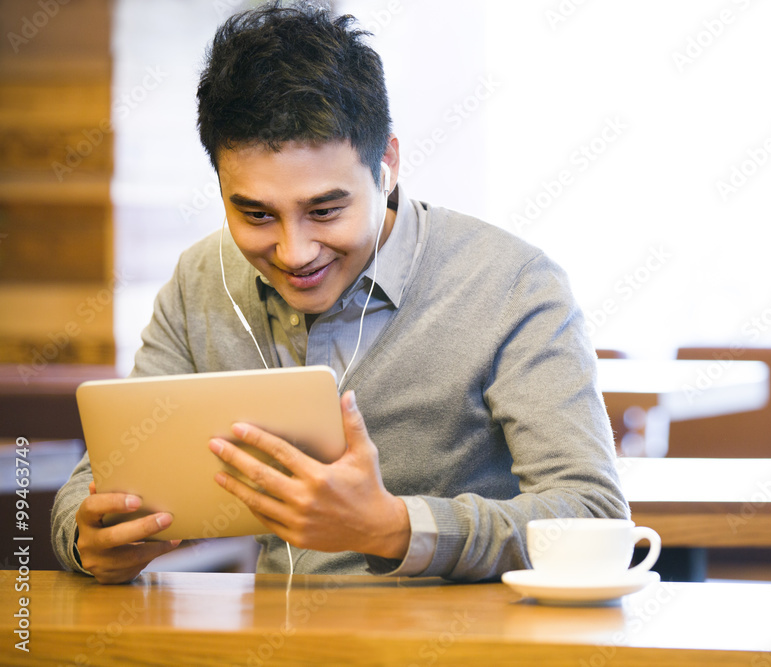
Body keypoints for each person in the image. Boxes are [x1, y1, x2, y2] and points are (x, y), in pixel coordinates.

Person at [51, 1, 627, 584]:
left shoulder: (512, 283)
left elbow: (594, 514)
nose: (294, 252)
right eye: (255, 213)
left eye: (325, 210)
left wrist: (396, 528)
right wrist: (89, 539)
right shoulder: (202, 280)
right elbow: (89, 488)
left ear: (388, 165)